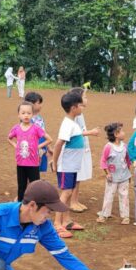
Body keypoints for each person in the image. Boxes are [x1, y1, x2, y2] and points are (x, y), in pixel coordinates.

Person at [52, 92, 86, 238]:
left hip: (72, 166)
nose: (82, 107)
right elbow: (59, 143)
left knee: (69, 192)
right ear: (74, 108)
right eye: (80, 105)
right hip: (66, 166)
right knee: (65, 193)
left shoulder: (73, 123)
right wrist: (54, 161)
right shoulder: (67, 124)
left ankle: (66, 221)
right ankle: (57, 224)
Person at [8, 102, 51, 201]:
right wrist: (15, 146)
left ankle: (36, 205)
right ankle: (20, 207)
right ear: (18, 114)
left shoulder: (36, 128)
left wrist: (38, 146)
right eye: (23, 113)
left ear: (32, 114)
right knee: (21, 186)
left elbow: (49, 139)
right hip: (20, 163)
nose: (26, 115)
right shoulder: (16, 128)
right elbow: (9, 138)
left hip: (33, 163)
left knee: (35, 186)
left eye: (28, 113)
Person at [68, 87, 99, 213]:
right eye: (85, 97)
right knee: (75, 176)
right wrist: (91, 132)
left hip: (81, 148)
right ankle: (72, 202)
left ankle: (75, 200)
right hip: (76, 149)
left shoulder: (80, 114)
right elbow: (75, 132)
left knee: (78, 176)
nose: (87, 99)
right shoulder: (75, 115)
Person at [97, 122, 131, 225]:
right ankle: (104, 215)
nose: (124, 133)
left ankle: (125, 216)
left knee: (124, 196)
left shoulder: (125, 146)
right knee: (108, 196)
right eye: (121, 131)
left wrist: (129, 173)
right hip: (112, 177)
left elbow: (127, 160)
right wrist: (107, 173)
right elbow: (103, 161)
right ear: (116, 134)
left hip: (124, 176)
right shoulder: (108, 147)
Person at [26, 92, 53, 175]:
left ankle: (33, 187)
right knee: (30, 171)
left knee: (37, 171)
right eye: (39, 103)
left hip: (41, 148)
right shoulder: (27, 119)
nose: (41, 105)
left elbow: (44, 134)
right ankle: (29, 188)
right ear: (31, 104)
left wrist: (49, 148)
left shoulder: (40, 118)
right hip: (32, 149)